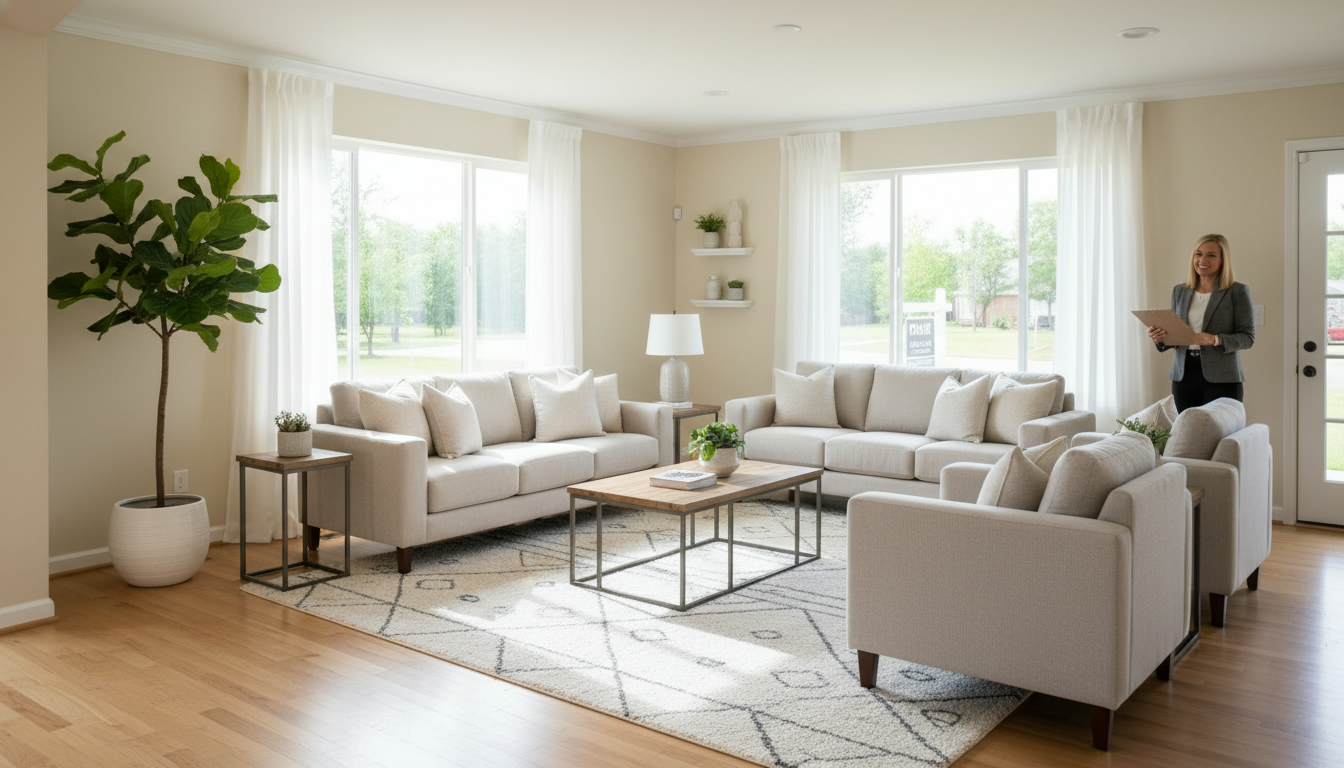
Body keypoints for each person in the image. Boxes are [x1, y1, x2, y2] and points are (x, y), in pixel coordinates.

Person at [1148, 234, 1255, 412]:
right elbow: (1178, 335)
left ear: (1222, 260)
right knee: (1187, 434)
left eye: (1211, 255)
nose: (1202, 260)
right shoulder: (1180, 291)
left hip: (1223, 377)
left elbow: (1248, 337)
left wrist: (1215, 340)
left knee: (1220, 435)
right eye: (1198, 254)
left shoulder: (1237, 291)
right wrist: (1160, 338)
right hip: (1183, 376)